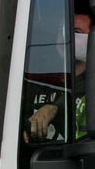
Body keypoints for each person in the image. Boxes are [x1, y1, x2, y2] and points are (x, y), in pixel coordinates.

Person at [26, 13, 90, 142]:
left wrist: (55, 108)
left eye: (76, 32)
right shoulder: (38, 80)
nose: (65, 37)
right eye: (61, 31)